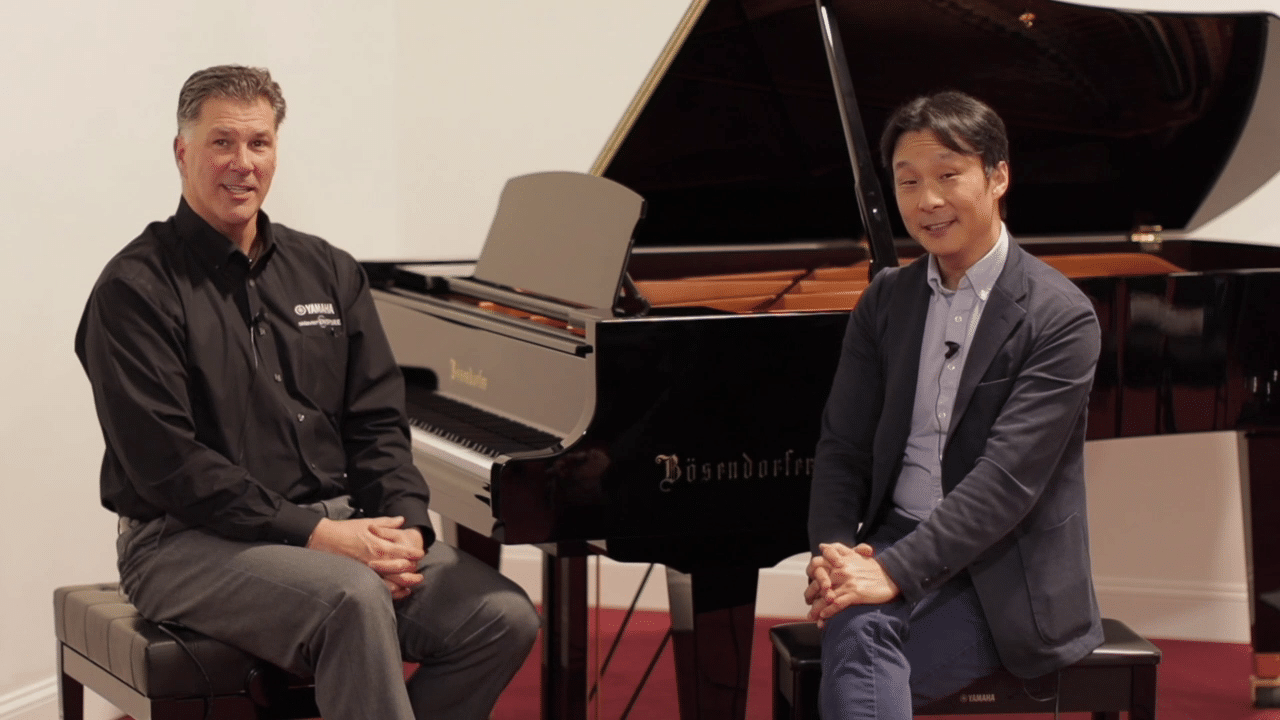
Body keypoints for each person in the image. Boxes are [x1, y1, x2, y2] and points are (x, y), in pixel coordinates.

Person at [75, 64, 540, 720]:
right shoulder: (134, 289)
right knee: (352, 597)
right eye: (222, 142)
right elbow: (170, 466)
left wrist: (405, 525)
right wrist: (321, 537)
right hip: (182, 542)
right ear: (182, 152)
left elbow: (378, 421)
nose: (243, 163)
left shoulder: (327, 269)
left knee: (500, 617)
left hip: (338, 526)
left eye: (259, 143)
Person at [804, 90, 1104, 719]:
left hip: (1004, 567)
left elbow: (1007, 483)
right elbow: (843, 447)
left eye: (947, 175)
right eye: (908, 182)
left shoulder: (1061, 315)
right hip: (889, 542)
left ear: (997, 177)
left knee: (856, 655)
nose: (927, 201)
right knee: (858, 634)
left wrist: (886, 576)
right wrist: (834, 554)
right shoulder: (886, 300)